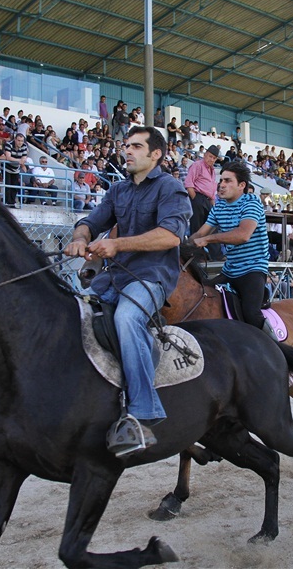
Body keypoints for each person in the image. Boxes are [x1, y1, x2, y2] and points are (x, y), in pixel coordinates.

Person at [64, 126, 192, 456]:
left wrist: (116, 244)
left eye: (136, 146)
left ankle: (143, 414)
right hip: (114, 277)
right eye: (126, 145)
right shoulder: (119, 190)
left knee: (126, 319)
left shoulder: (170, 188)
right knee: (73, 313)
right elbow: (91, 221)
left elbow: (170, 237)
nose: (128, 150)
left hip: (152, 278)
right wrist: (80, 238)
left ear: (156, 154)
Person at [189, 161, 271, 334]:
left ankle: (276, 349)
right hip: (230, 270)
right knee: (201, 295)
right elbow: (200, 233)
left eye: (227, 181)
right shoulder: (218, 206)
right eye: (221, 181)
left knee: (251, 314)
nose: (221, 185)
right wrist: (180, 243)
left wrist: (208, 239)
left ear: (241, 185)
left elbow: (243, 235)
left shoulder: (252, 203)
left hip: (253, 268)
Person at [184, 144, 219, 235]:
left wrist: (214, 206)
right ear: (205, 155)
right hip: (198, 198)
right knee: (197, 229)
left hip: (208, 201)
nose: (211, 159)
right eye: (210, 156)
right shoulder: (197, 165)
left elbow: (211, 191)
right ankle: (194, 249)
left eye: (214, 158)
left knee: (211, 229)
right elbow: (188, 183)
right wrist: (195, 200)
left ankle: (210, 249)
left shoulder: (213, 171)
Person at [3, 133, 30, 207]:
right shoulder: (9, 144)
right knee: (7, 185)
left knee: (14, 186)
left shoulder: (24, 146)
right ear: (15, 139)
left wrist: (21, 161)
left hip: (16, 169)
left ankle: (12, 202)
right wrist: (19, 161)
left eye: (21, 141)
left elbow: (24, 157)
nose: (20, 142)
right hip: (6, 168)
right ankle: (7, 202)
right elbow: (8, 157)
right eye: (18, 140)